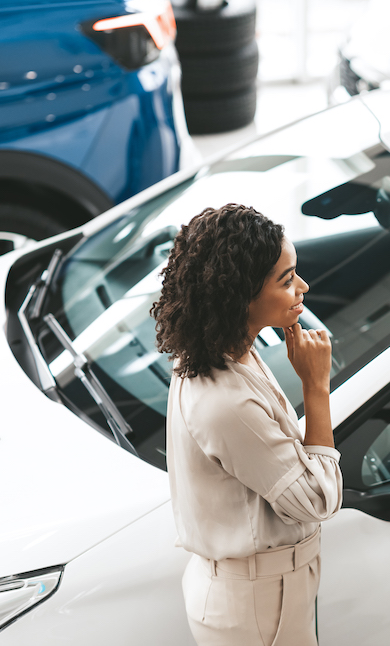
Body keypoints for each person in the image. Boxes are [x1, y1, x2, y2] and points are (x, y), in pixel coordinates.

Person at [152, 204, 342, 646]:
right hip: (259, 606)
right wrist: (316, 387)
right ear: (241, 296)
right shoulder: (226, 401)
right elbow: (317, 500)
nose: (303, 287)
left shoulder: (223, 350)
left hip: (260, 593)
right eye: (286, 279)